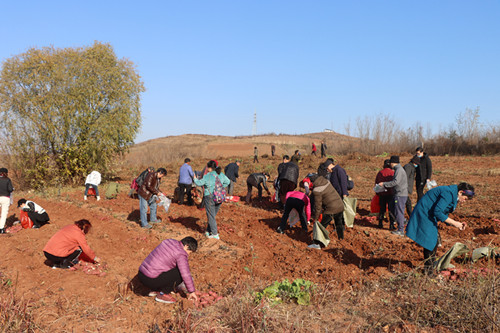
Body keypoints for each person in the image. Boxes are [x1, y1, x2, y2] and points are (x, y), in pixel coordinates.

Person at [406, 183, 474, 272]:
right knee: (430, 242)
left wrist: (456, 223)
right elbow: (437, 212)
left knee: (434, 241)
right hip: (425, 214)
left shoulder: (453, 194)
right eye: (465, 199)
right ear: (461, 192)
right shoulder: (448, 193)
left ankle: (430, 266)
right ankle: (428, 271)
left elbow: (442, 212)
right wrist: (455, 223)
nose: (464, 201)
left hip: (429, 215)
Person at [138, 236, 199, 304]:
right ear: (186, 246)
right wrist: (191, 291)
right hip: (150, 280)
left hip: (141, 274)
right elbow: (185, 274)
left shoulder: (169, 241)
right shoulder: (181, 253)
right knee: (179, 273)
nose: (188, 254)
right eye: (189, 252)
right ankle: (162, 294)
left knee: (168, 267)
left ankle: (155, 290)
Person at [193, 161, 230, 240]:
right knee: (212, 215)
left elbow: (199, 183)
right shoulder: (221, 174)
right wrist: (220, 188)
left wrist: (195, 179)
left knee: (210, 215)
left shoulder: (207, 176)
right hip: (219, 197)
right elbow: (228, 182)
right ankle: (208, 231)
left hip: (209, 197)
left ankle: (215, 234)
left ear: (209, 168)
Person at [309, 173, 345, 248]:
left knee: (321, 226)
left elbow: (318, 207)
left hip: (331, 209)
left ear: (312, 182)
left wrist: (316, 219)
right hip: (340, 205)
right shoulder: (326, 181)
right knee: (338, 223)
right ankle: (341, 239)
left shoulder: (317, 190)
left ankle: (317, 244)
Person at [378, 156, 408, 236]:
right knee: (392, 208)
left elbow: (395, 182)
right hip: (399, 193)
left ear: (392, 162)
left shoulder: (399, 170)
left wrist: (384, 184)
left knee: (399, 211)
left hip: (400, 194)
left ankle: (401, 230)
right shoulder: (398, 170)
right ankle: (402, 221)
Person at [374, 159, 395, 229]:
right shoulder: (392, 173)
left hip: (382, 194)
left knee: (382, 209)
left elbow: (376, 183)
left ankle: (380, 223)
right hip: (391, 194)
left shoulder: (380, 173)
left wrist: (377, 193)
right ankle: (391, 225)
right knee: (391, 210)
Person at [0, 168, 14, 234]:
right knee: (4, 214)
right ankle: (1, 229)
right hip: (5, 198)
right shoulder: (8, 180)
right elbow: (10, 189)